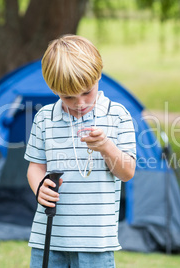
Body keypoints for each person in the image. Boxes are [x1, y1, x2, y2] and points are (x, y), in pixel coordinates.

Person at [24, 35, 136, 268]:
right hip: (49, 236)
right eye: (68, 97)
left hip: (95, 242)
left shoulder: (118, 116)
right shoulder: (45, 118)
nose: (79, 103)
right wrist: (39, 188)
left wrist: (106, 147)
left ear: (99, 76)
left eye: (87, 92)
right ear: (53, 89)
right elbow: (35, 167)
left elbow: (127, 172)